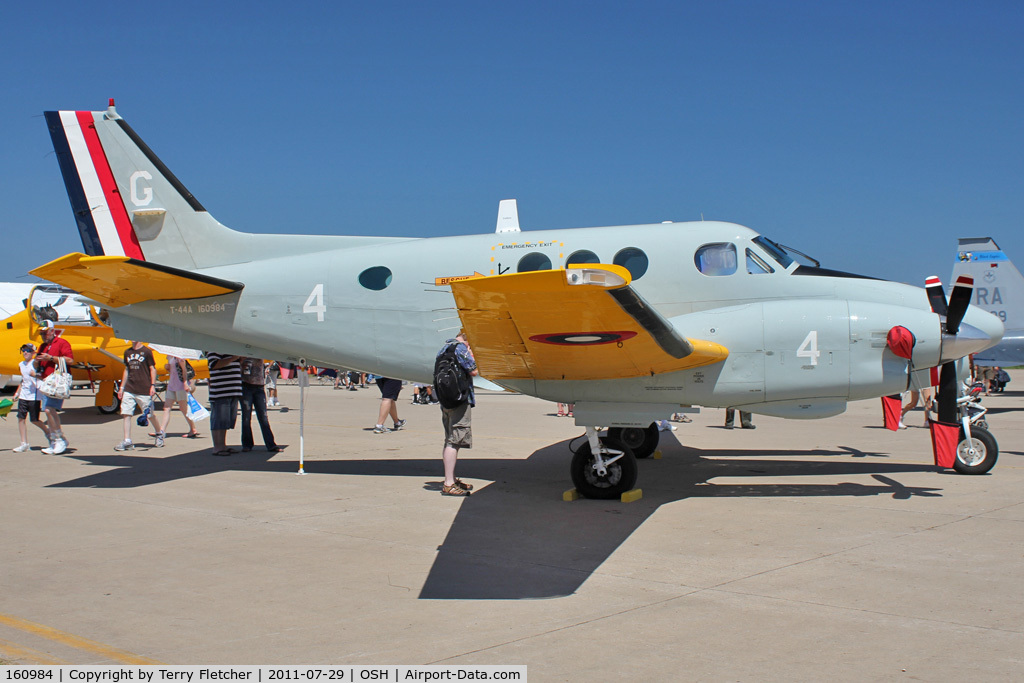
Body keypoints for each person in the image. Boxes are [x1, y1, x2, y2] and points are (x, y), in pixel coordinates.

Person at [436, 333, 478, 496]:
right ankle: (449, 483)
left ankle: (451, 478)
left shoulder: (444, 348)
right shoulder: (461, 349)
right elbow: (473, 371)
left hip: (446, 399)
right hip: (459, 399)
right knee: (454, 441)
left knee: (449, 439)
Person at [116, 340, 163, 450]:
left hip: (144, 388)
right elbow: (127, 369)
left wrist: (152, 385)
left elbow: (152, 369)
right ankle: (127, 440)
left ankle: (159, 433)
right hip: (130, 388)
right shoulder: (127, 352)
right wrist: (122, 387)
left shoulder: (146, 352)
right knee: (126, 413)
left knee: (150, 415)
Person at [36, 321, 73, 454]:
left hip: (57, 382)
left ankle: (59, 439)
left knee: (49, 410)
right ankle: (57, 439)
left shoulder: (62, 343)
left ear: (52, 331)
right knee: (47, 410)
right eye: (41, 333)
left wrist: (51, 358)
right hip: (46, 383)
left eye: (45, 332)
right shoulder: (43, 346)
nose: (43, 335)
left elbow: (70, 360)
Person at [239, 356, 281, 452]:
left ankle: (270, 444)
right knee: (246, 417)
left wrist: (268, 366)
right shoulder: (242, 355)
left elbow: (270, 358)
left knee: (263, 417)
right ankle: (247, 444)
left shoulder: (260, 354)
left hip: (259, 386)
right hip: (246, 385)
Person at [206, 351, 243, 456]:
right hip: (221, 391)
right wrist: (233, 358)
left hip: (232, 389)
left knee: (225, 421)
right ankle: (217, 447)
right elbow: (214, 364)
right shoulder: (214, 348)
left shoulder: (229, 349)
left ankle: (222, 445)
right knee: (219, 420)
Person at [13, 343, 48, 452]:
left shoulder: (35, 363)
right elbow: (23, 379)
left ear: (33, 352)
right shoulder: (21, 365)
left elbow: (43, 377)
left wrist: (35, 375)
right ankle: (24, 443)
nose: (25, 352)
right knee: (21, 418)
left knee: (35, 420)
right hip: (24, 395)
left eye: (28, 350)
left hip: (34, 396)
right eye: (23, 350)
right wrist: (17, 393)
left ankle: (49, 433)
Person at [159, 355, 199, 439]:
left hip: (180, 385)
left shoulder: (179, 357)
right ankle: (161, 431)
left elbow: (184, 370)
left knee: (183, 408)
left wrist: (185, 383)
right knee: (166, 407)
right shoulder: (169, 356)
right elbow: (172, 370)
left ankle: (193, 428)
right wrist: (167, 367)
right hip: (171, 384)